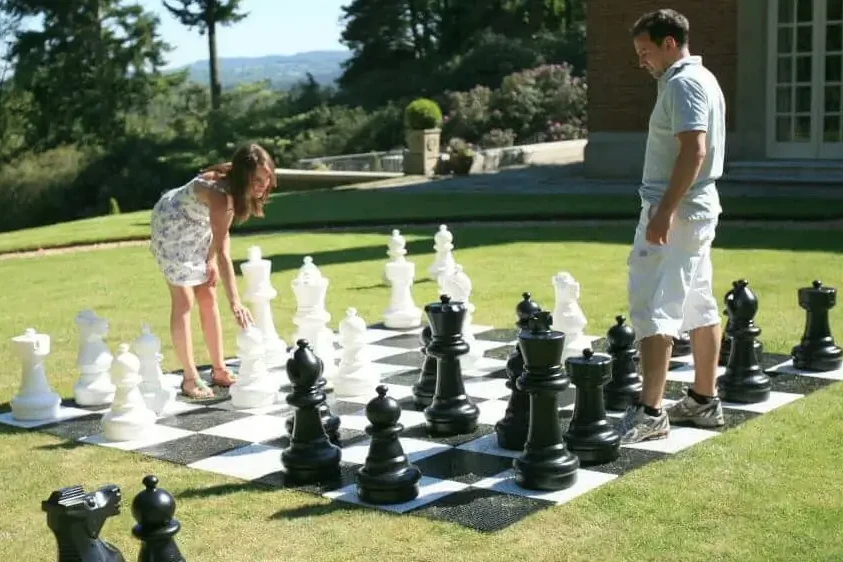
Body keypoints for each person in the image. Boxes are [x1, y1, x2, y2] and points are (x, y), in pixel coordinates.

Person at [618, 9, 727, 443]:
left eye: (645, 52)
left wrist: (663, 211)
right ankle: (703, 400)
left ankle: (650, 412)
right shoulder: (702, 77)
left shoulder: (683, 83)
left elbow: (694, 151)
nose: (641, 61)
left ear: (669, 43)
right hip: (696, 209)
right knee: (699, 303)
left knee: (653, 306)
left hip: (678, 211)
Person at [149, 142, 277, 399]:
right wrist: (236, 303)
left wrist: (209, 261)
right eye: (257, 180)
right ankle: (189, 379)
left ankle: (219, 370)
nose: (262, 185)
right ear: (243, 176)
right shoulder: (220, 194)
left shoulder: (233, 188)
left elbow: (219, 238)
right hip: (171, 225)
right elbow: (225, 252)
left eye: (266, 178)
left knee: (208, 293)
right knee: (184, 300)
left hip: (197, 226)